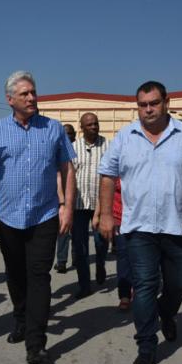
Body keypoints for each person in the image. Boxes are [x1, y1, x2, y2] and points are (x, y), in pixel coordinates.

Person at [98, 81, 182, 364]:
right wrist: (105, 214)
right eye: (142, 104)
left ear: (166, 102)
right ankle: (146, 347)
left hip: (178, 227)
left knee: (178, 284)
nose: (148, 109)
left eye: (154, 103)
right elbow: (106, 175)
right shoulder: (125, 138)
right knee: (144, 287)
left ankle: (167, 314)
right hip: (138, 229)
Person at [0, 71, 76, 364]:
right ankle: (20, 319)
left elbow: (67, 170)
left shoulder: (53, 129)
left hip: (45, 215)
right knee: (16, 275)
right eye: (25, 94)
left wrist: (67, 207)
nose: (32, 97)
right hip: (9, 218)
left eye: (33, 92)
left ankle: (36, 342)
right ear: (10, 99)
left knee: (39, 276)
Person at [71, 112, 109, 299]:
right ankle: (84, 285)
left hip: (100, 202)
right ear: (82, 127)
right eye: (90, 125)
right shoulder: (72, 147)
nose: (94, 127)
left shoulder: (108, 146)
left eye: (96, 123)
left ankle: (101, 264)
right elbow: (67, 175)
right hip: (78, 204)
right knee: (80, 246)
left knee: (100, 242)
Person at [54, 124, 77, 273]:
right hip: (62, 197)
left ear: (74, 135)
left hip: (80, 197)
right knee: (63, 231)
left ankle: (77, 258)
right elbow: (57, 176)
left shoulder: (79, 150)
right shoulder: (58, 151)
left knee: (77, 233)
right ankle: (61, 261)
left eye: (69, 134)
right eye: (64, 134)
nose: (67, 136)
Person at [112, 179, 132, 311]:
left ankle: (140, 288)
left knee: (142, 256)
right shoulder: (118, 159)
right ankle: (125, 295)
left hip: (144, 216)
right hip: (121, 216)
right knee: (123, 255)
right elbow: (110, 183)